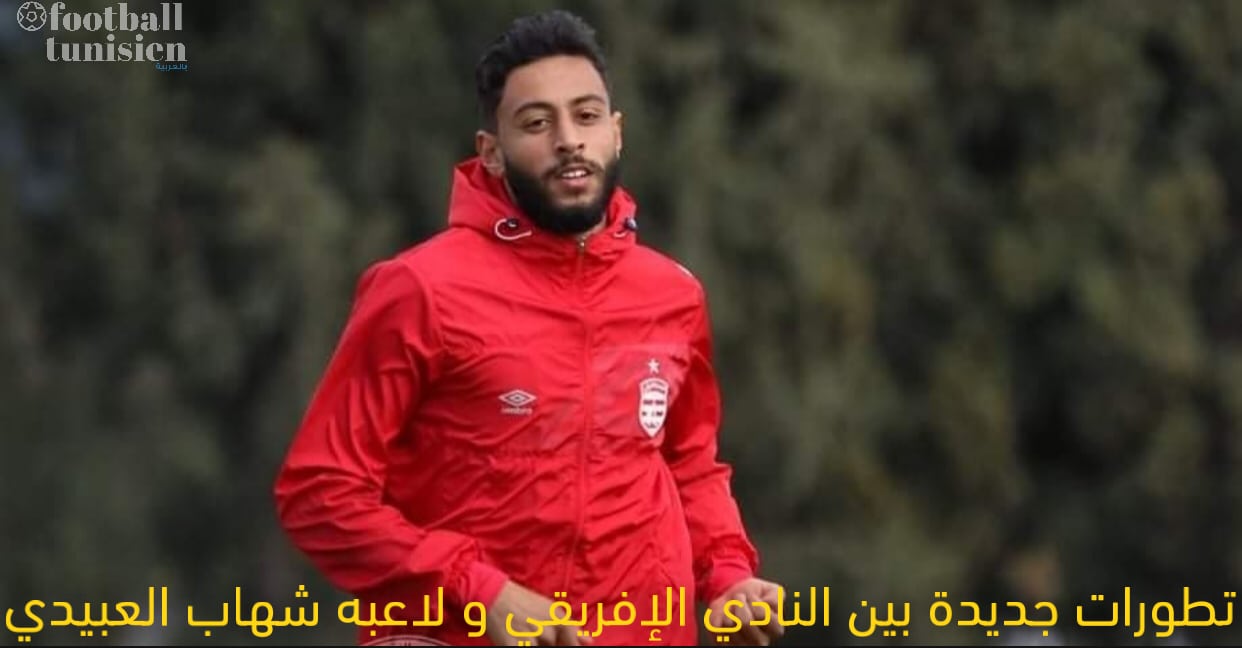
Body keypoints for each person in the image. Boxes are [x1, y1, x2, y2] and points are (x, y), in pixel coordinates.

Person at [273, 9, 784, 647]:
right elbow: (320, 493)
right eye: (537, 123)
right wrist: (481, 592)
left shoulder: (672, 295)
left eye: (586, 115)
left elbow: (689, 463)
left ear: (616, 132)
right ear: (490, 153)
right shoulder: (420, 289)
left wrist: (727, 574)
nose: (568, 139)